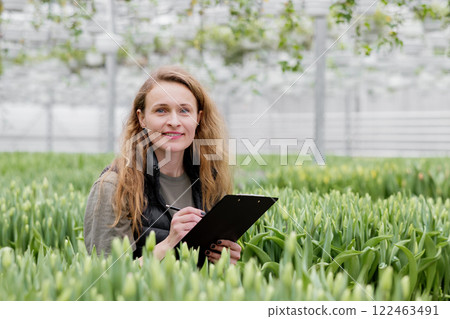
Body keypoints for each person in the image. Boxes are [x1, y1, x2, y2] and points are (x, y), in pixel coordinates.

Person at [84, 66, 241, 265]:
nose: (174, 121)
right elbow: (104, 276)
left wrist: (224, 259)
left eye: (184, 111)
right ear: (142, 118)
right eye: (161, 110)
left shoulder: (211, 180)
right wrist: (168, 244)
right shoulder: (114, 186)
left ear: (198, 118)